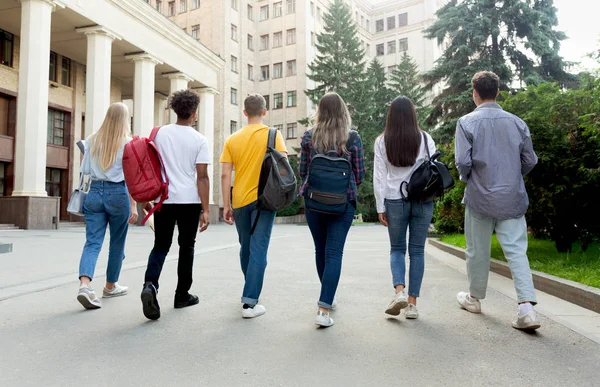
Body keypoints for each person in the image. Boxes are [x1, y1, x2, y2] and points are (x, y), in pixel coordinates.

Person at [455, 71, 540, 330]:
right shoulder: (517, 123)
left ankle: (474, 299)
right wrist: (513, 175)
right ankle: (526, 309)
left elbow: (462, 162)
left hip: (479, 197)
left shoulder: (466, 122)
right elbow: (530, 160)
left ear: (475, 94)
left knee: (477, 250)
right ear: (498, 92)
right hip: (512, 198)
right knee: (516, 251)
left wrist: (468, 178)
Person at [140, 89, 211, 320]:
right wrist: (206, 209)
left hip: (164, 199)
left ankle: (150, 285)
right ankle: (182, 295)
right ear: (194, 113)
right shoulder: (199, 140)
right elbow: (202, 177)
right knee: (186, 246)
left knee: (160, 245)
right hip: (189, 201)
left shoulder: (160, 134)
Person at [299, 92, 365, 327]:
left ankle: (328, 297)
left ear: (320, 111)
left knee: (320, 250)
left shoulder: (309, 137)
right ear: (343, 111)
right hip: (343, 202)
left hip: (314, 201)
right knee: (334, 253)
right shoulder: (352, 138)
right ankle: (324, 308)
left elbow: (303, 171)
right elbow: (359, 176)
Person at [220, 94, 288, 319]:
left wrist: (226, 204)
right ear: (265, 112)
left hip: (239, 201)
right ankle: (250, 302)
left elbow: (225, 173)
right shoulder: (273, 134)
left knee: (246, 248)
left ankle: (251, 288)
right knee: (259, 249)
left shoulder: (232, 139)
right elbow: (284, 167)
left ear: (244, 112)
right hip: (265, 200)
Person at [374, 96, 436, 320]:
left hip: (393, 199)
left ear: (390, 115)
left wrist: (380, 206)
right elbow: (433, 168)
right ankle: (412, 305)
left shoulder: (382, 141)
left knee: (397, 249)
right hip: (422, 199)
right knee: (417, 251)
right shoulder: (426, 138)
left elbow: (379, 177)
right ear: (413, 114)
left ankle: (398, 292)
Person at [77, 102, 138, 309]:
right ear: (125, 120)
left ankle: (85, 285)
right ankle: (110, 286)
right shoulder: (128, 143)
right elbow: (131, 178)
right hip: (117, 194)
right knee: (117, 243)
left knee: (92, 242)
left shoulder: (92, 140)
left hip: (94, 192)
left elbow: (84, 170)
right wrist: (134, 206)